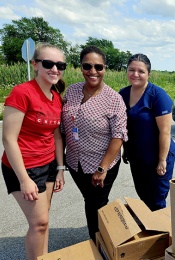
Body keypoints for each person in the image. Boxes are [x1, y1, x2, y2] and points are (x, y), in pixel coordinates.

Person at [1, 43, 66, 260]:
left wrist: (59, 168)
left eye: (60, 65)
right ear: (35, 64)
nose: (55, 69)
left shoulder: (55, 97)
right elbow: (8, 139)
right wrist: (24, 179)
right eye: (48, 63)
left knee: (43, 221)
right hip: (23, 166)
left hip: (48, 164)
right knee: (39, 223)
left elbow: (57, 136)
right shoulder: (22, 93)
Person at [61, 45, 128, 241]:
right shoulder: (72, 91)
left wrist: (102, 168)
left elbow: (119, 135)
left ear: (105, 68)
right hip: (74, 162)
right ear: (80, 67)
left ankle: (99, 242)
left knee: (96, 203)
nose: (93, 71)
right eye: (87, 66)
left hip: (101, 165)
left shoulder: (114, 99)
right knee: (90, 200)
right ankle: (100, 238)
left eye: (98, 67)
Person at [119, 53, 175, 211]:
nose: (135, 74)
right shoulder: (122, 94)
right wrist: (126, 149)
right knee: (143, 194)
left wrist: (162, 160)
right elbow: (124, 126)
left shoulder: (158, 96)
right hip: (137, 157)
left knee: (157, 197)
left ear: (148, 74)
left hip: (158, 156)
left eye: (141, 71)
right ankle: (149, 226)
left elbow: (165, 132)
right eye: (131, 69)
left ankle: (161, 231)